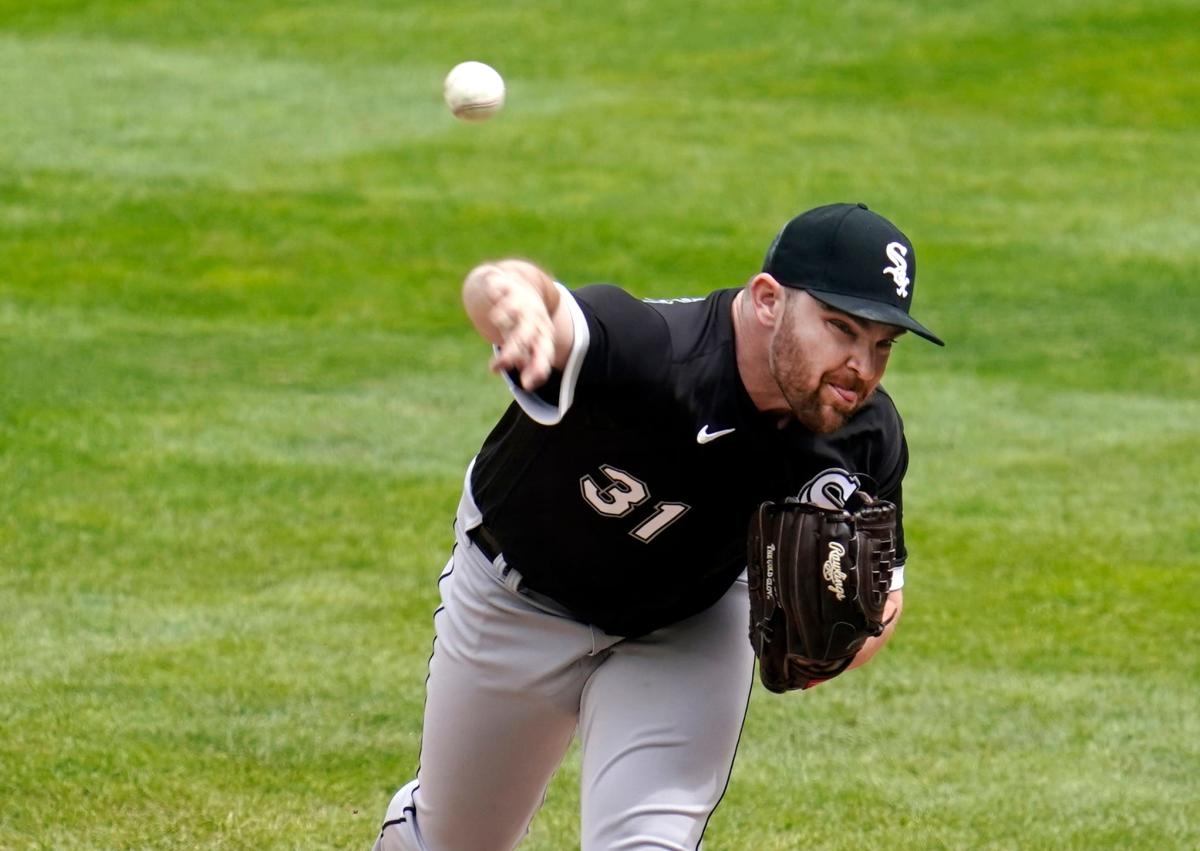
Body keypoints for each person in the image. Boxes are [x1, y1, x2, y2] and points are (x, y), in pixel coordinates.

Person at [373, 202, 943, 851]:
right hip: (516, 595)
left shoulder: (863, 437)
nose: (860, 367)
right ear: (766, 300)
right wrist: (510, 300)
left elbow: (882, 597)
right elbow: (524, 295)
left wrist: (835, 646)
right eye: (840, 328)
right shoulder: (657, 350)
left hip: (685, 626)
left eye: (881, 343)